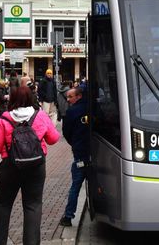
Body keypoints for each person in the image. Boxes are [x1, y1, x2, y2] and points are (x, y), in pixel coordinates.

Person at [0, 86, 60, 245]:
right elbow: (53, 139)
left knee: (3, 204)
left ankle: (0, 242)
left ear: (12, 99)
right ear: (31, 98)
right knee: (33, 205)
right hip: (36, 165)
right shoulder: (41, 115)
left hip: (11, 166)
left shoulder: (4, 119)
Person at [59, 87, 92, 227]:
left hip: (79, 154)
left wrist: (75, 143)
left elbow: (66, 132)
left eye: (70, 96)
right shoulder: (92, 108)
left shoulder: (71, 112)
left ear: (78, 96)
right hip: (94, 153)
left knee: (75, 186)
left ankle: (68, 216)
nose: (68, 100)